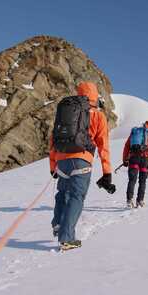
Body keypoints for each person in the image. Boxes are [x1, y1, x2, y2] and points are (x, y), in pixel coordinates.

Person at [49, 81, 114, 251]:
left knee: (62, 193)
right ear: (95, 95)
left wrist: (53, 164)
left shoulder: (69, 111)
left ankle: (58, 223)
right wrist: (107, 172)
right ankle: (67, 238)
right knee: (77, 197)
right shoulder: (98, 116)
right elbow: (103, 145)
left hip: (62, 159)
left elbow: (53, 139)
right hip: (82, 160)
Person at [122, 120, 148, 208]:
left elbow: (127, 146)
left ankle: (129, 200)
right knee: (142, 181)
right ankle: (140, 201)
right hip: (145, 160)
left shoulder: (135, 131)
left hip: (133, 158)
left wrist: (125, 160)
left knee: (132, 180)